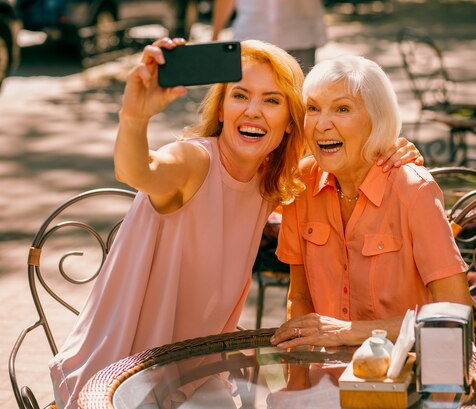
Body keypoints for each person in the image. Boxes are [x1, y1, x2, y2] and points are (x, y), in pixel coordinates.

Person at [48, 39, 421, 409]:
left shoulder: (272, 181)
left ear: (291, 124)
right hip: (119, 376)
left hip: (193, 374)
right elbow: (137, 171)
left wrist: (386, 147)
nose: (254, 111)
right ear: (222, 109)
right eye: (240, 95)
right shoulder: (193, 162)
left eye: (271, 100)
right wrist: (134, 116)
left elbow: (340, 151)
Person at [270, 55, 472, 349]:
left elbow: (455, 315)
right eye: (313, 108)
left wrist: (350, 332)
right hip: (324, 375)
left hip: (405, 376)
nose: (322, 124)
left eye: (342, 109)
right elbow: (299, 298)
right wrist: (297, 387)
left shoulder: (413, 190)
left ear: (376, 119)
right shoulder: (302, 183)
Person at [211, 0, 326, 73]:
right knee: (251, 97)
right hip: (251, 38)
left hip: (299, 37)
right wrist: (215, 36)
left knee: (300, 100)